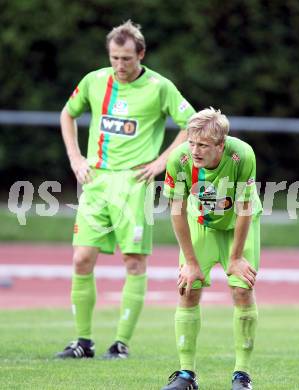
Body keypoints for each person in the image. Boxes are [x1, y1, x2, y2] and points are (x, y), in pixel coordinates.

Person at [56, 20, 195, 359]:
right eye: (114, 58)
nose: (119, 66)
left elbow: (191, 124)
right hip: (96, 181)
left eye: (126, 59)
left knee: (133, 262)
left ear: (141, 54)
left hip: (134, 184)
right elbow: (67, 114)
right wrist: (76, 158)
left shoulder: (159, 87)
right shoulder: (94, 81)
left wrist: (161, 162)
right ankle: (83, 342)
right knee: (81, 258)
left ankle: (120, 344)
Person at [161, 107, 262, 390]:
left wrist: (236, 257)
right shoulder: (179, 159)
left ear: (220, 144)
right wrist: (190, 262)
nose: (195, 150)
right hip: (201, 227)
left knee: (242, 289)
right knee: (188, 288)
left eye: (203, 145)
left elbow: (244, 209)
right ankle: (185, 375)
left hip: (238, 228)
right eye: (192, 142)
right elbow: (177, 212)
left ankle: (242, 375)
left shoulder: (242, 155)